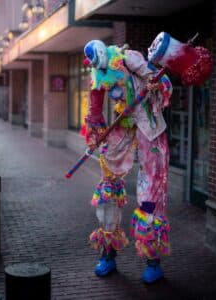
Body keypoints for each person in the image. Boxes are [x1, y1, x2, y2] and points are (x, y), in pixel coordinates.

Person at [83, 40, 173, 283]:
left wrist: (155, 84)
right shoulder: (97, 75)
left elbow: (157, 78)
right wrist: (95, 134)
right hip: (123, 124)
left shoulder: (127, 58)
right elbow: (94, 111)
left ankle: (153, 260)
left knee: (150, 192)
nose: (100, 72)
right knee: (107, 188)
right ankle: (108, 254)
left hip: (149, 125)